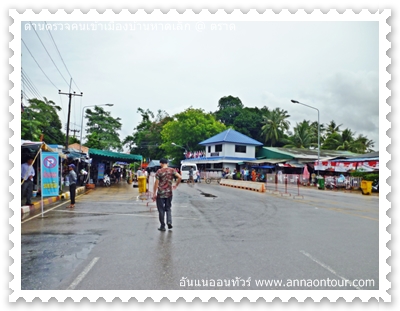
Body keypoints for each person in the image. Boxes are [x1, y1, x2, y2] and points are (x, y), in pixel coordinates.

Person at [152, 158, 182, 231]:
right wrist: (176, 185)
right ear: (167, 163)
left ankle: (162, 226)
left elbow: (156, 183)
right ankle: (169, 221)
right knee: (168, 208)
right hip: (169, 193)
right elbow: (180, 177)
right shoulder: (172, 170)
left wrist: (154, 193)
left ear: (161, 163)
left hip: (160, 194)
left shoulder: (159, 171)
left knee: (161, 210)